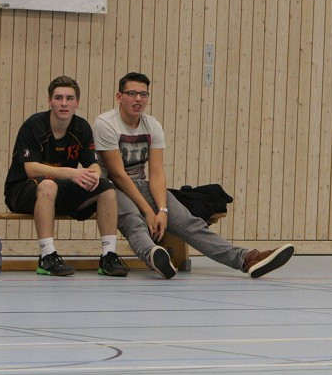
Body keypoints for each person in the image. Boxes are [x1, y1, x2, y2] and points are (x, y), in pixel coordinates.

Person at [93, 72, 294, 280]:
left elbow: (157, 172)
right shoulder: (106, 124)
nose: (138, 99)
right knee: (135, 220)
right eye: (132, 93)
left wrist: (162, 210)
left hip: (142, 185)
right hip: (111, 189)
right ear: (119, 97)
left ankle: (246, 258)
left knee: (190, 222)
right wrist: (148, 211)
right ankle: (153, 255)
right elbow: (117, 175)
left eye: (143, 95)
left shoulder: (152, 125)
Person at [5, 76, 130, 277]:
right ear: (49, 101)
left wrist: (94, 175)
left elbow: (92, 164)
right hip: (22, 191)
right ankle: (47, 256)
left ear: (77, 103)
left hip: (59, 191)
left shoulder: (81, 128)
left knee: (106, 187)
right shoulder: (34, 125)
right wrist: (71, 173)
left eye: (70, 98)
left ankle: (108, 255)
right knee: (48, 185)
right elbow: (31, 169)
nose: (64, 103)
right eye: (59, 98)